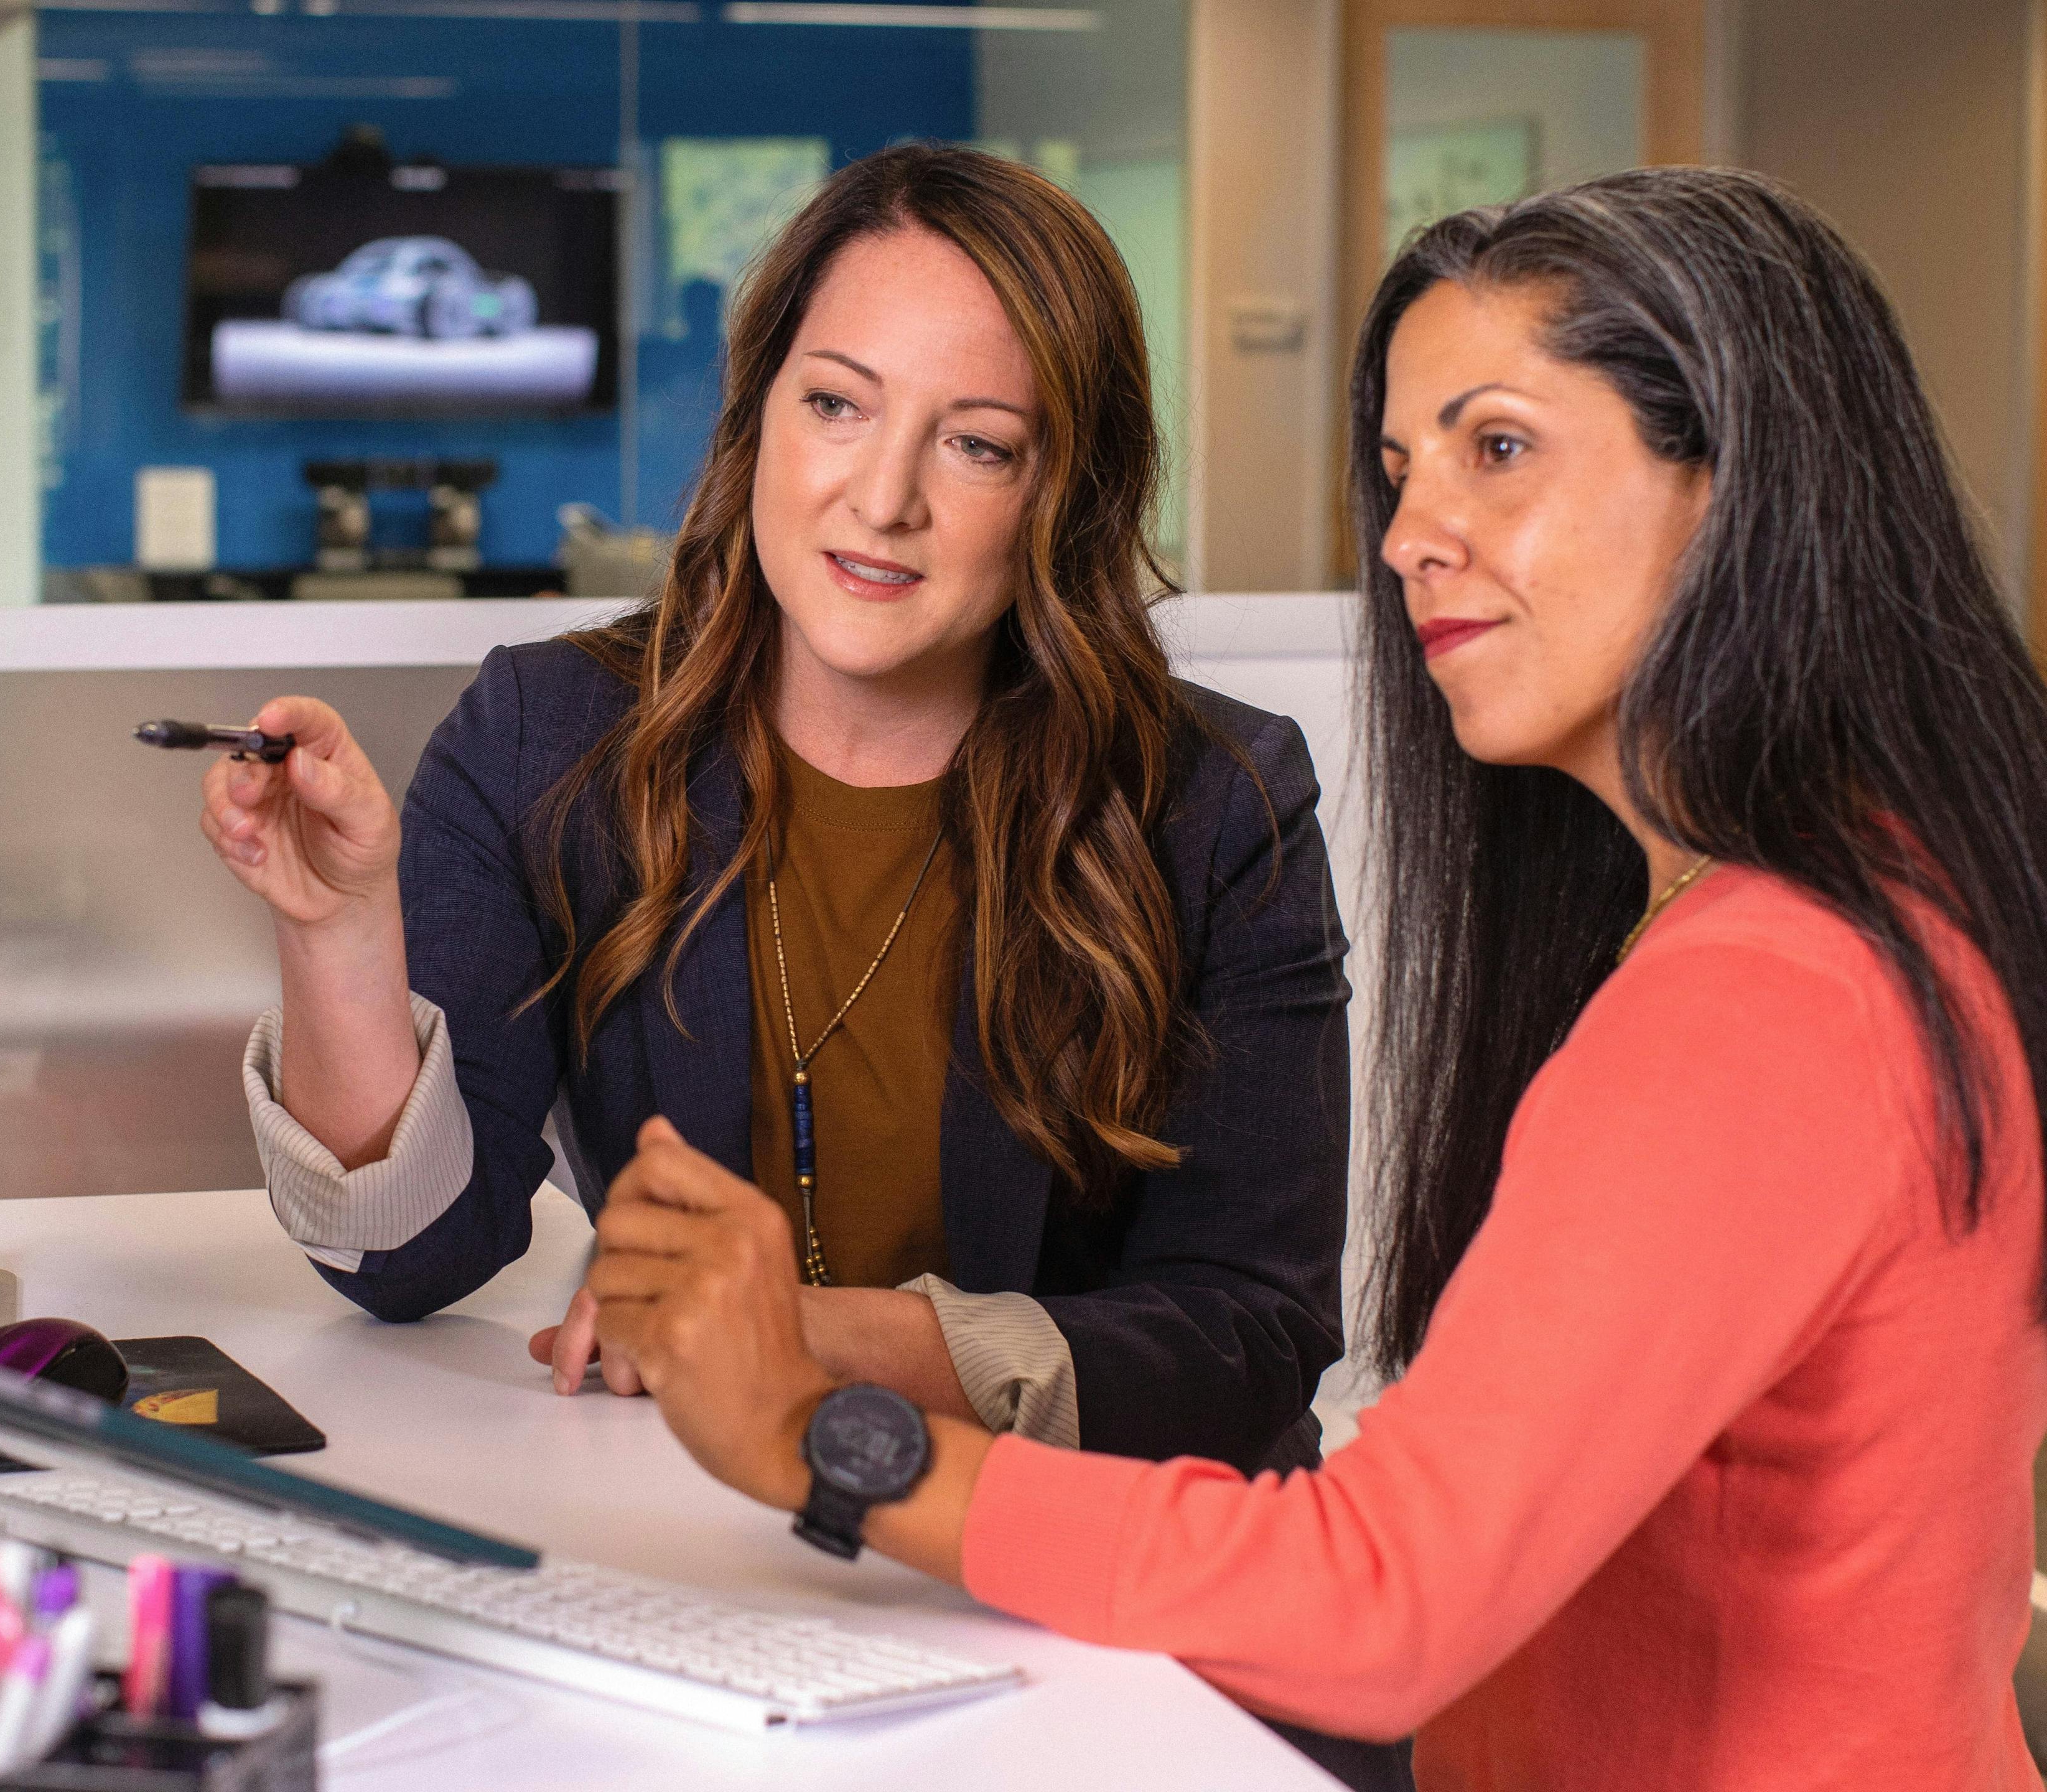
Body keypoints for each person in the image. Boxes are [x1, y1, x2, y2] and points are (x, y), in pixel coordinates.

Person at [577, 166, 2047, 1789]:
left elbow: (1383, 1600)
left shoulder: (1770, 995)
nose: (1416, 536)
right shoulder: (1866, 900)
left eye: (1500, 450)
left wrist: (819, 1440)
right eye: (1404, 469)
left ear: (1739, 486)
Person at [200, 142, 1371, 1729]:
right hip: (717, 1581)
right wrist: (342, 935)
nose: (879, 499)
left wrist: (798, 1345)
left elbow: (1247, 1344)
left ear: (1062, 491)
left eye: (977, 444)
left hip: (1097, 1614)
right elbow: (412, 1258)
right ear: (756, 417)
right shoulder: (550, 735)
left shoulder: (1212, 801)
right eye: (836, 405)